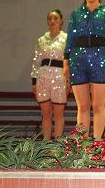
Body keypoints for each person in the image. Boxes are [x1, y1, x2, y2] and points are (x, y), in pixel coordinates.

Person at [63, 0, 105, 139]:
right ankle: (83, 143)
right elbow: (70, 39)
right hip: (77, 60)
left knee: (98, 105)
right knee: (82, 106)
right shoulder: (76, 13)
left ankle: (97, 143)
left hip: (100, 59)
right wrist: (66, 63)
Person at [30, 9, 69, 140]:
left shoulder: (66, 39)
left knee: (58, 113)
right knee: (46, 113)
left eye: (55, 18)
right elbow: (36, 61)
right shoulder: (41, 40)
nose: (52, 21)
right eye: (50, 18)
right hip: (43, 77)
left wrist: (69, 80)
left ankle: (58, 143)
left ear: (61, 21)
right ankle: (46, 143)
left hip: (59, 77)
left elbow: (69, 61)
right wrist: (34, 82)